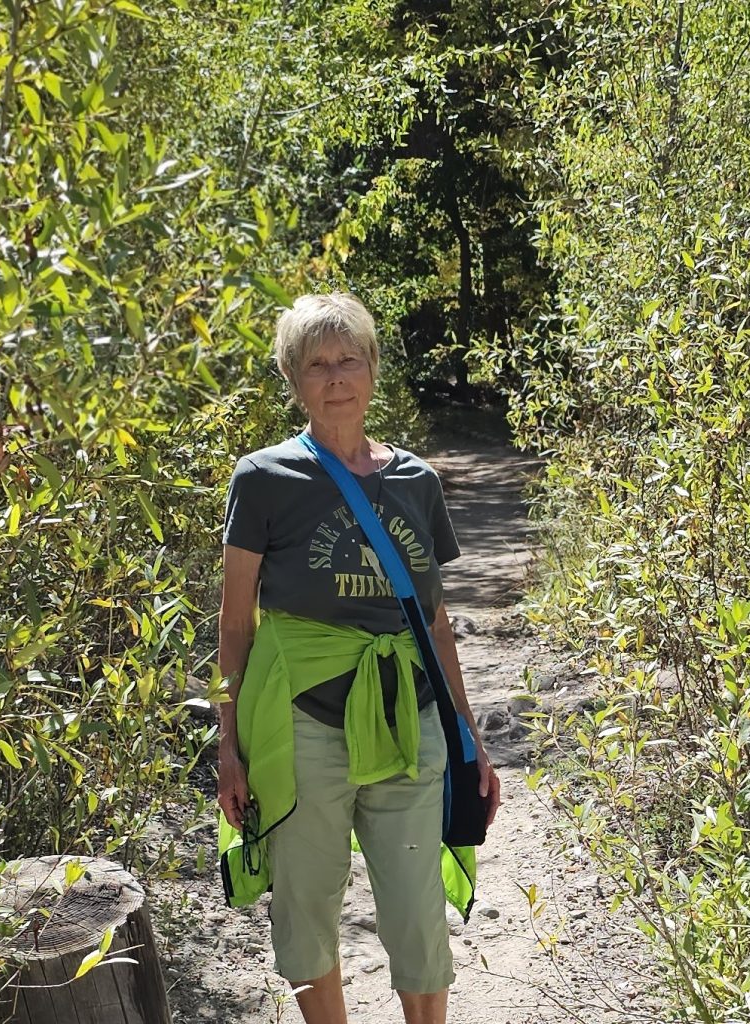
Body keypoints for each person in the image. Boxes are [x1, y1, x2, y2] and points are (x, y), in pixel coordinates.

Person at [217, 292, 501, 1024]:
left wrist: (469, 737)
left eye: (348, 360)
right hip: (299, 722)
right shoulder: (262, 478)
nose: (335, 376)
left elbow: (436, 622)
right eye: (317, 364)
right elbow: (235, 620)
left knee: (415, 907)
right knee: (307, 903)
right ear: (292, 378)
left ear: (372, 370)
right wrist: (228, 746)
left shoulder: (415, 481)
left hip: (412, 718)